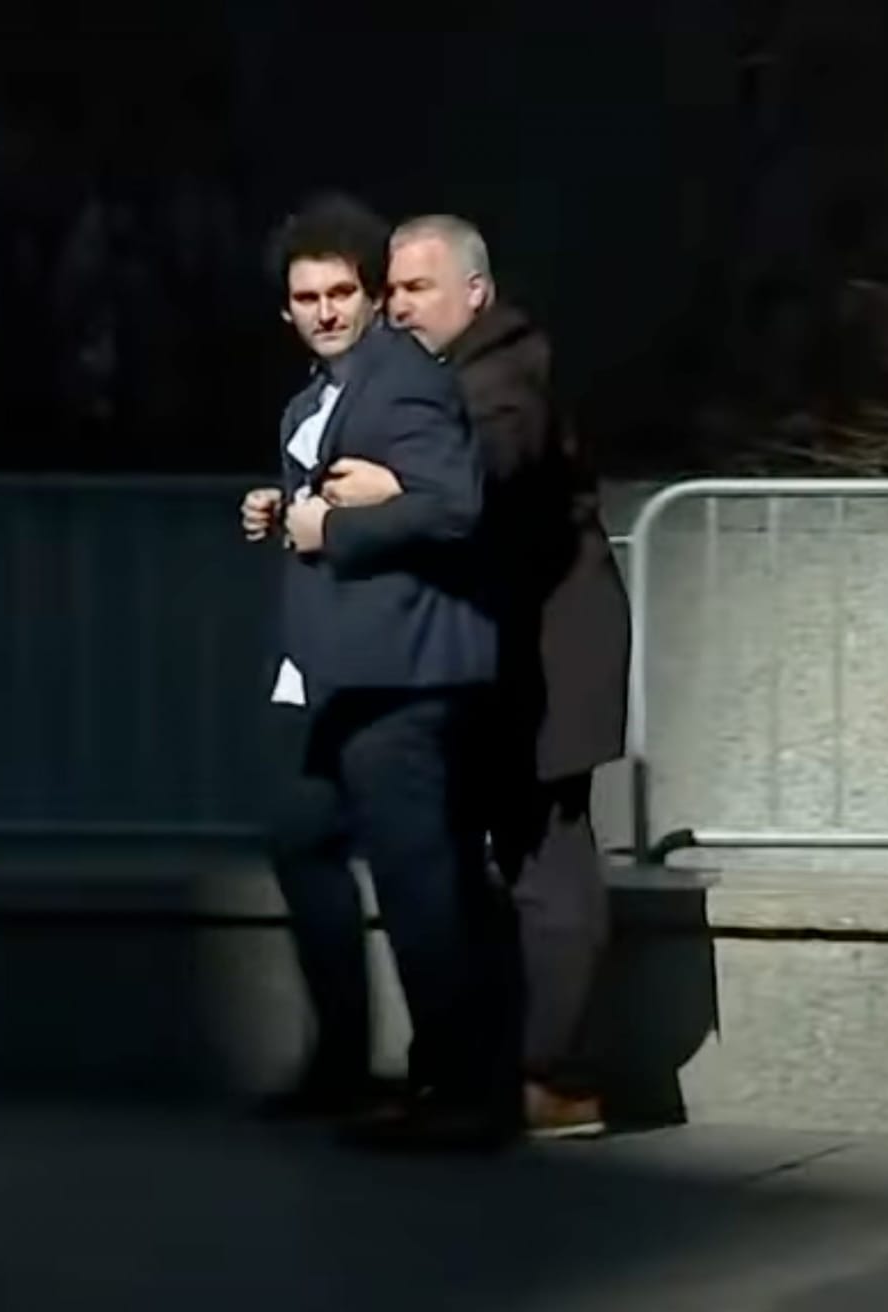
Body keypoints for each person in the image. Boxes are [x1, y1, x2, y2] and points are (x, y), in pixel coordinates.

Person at [322, 214, 631, 1138]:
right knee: (463, 865)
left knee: (545, 861)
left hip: (544, 657)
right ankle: (471, 1072)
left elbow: (491, 463)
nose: (395, 304)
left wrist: (398, 487)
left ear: (475, 293)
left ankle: (554, 1076)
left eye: (416, 287)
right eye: (392, 289)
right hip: (483, 654)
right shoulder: (443, 375)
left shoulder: (507, 372)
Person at [239, 193, 502, 1150]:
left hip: (397, 671)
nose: (325, 311)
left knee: (416, 878)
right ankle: (342, 1065)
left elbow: (454, 506)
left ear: (371, 295)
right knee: (300, 841)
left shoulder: (401, 379)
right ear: (288, 311)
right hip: (323, 669)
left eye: (341, 292)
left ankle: (464, 1092)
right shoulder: (315, 398)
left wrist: (336, 524)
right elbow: (336, 502)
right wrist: (286, 509)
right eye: (306, 298)